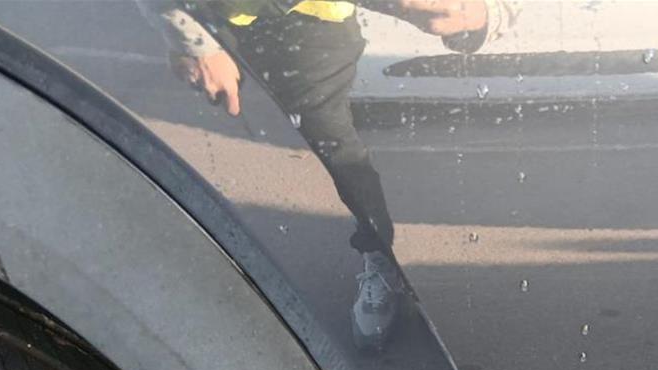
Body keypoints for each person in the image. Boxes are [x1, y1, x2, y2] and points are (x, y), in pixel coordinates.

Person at [140, 0, 511, 348]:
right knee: (221, 139)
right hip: (219, 20)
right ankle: (225, 254)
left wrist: (474, 13)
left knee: (332, 144)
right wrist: (192, 39)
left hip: (310, 25)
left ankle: (381, 259)